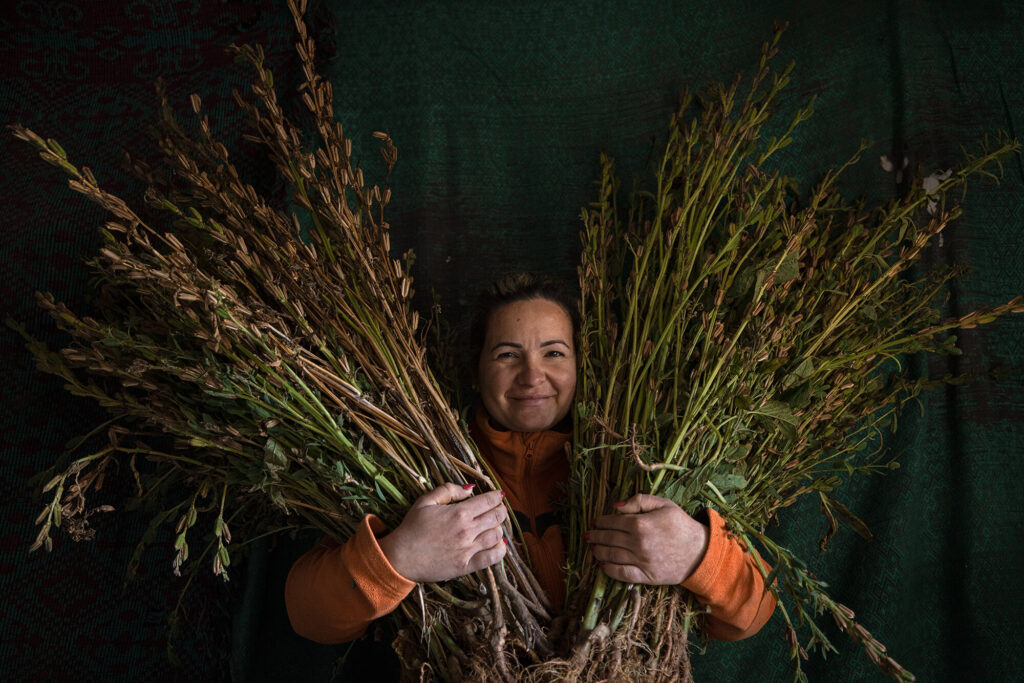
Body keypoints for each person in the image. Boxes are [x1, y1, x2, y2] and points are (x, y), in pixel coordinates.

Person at [285, 273, 775, 648]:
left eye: (555, 353)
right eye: (506, 355)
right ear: (475, 371)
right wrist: (398, 558)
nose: (532, 376)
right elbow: (306, 616)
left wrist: (696, 555)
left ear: (582, 368)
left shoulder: (640, 468)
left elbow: (753, 613)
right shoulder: (420, 473)